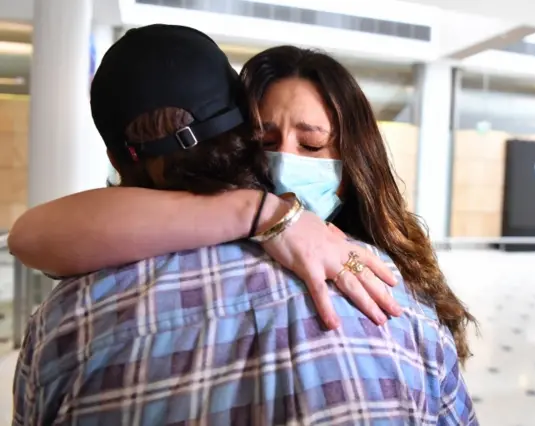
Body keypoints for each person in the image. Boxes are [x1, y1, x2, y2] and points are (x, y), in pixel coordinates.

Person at [13, 25, 477, 425]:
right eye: (266, 139)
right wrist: (270, 216)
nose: (286, 161)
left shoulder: (382, 283)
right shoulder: (398, 302)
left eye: (312, 146)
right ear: (238, 139)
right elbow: (32, 235)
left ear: (355, 160)